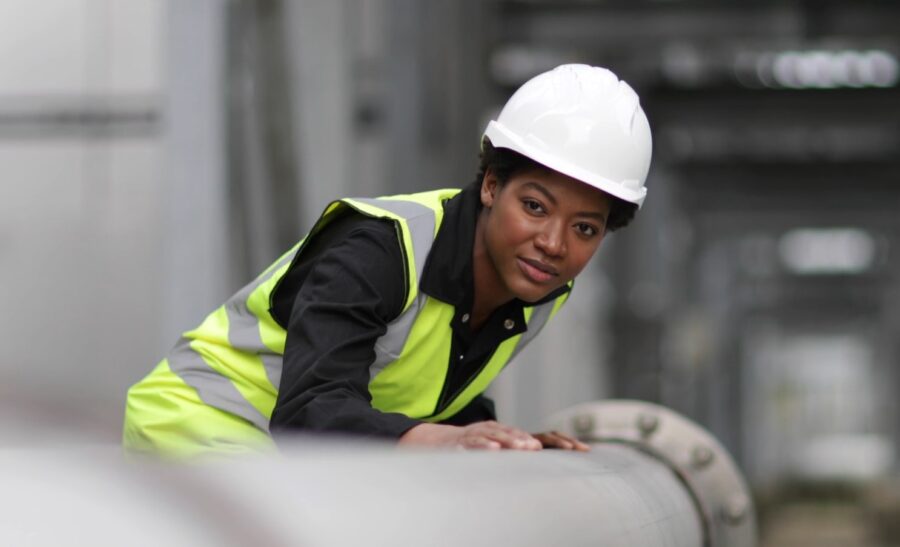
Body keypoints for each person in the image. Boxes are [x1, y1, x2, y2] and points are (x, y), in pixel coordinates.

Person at [123, 64, 652, 457]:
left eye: (586, 228)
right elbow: (310, 410)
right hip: (197, 428)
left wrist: (503, 441)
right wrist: (441, 443)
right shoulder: (379, 249)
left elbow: (420, 384)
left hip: (285, 453)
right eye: (534, 207)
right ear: (491, 185)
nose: (555, 243)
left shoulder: (540, 285)